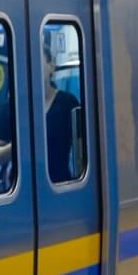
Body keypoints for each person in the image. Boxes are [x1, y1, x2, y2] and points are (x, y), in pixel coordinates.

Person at [44, 54, 83, 182]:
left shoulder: (67, 103)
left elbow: (81, 148)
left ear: (51, 67)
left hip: (59, 185)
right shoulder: (15, 106)